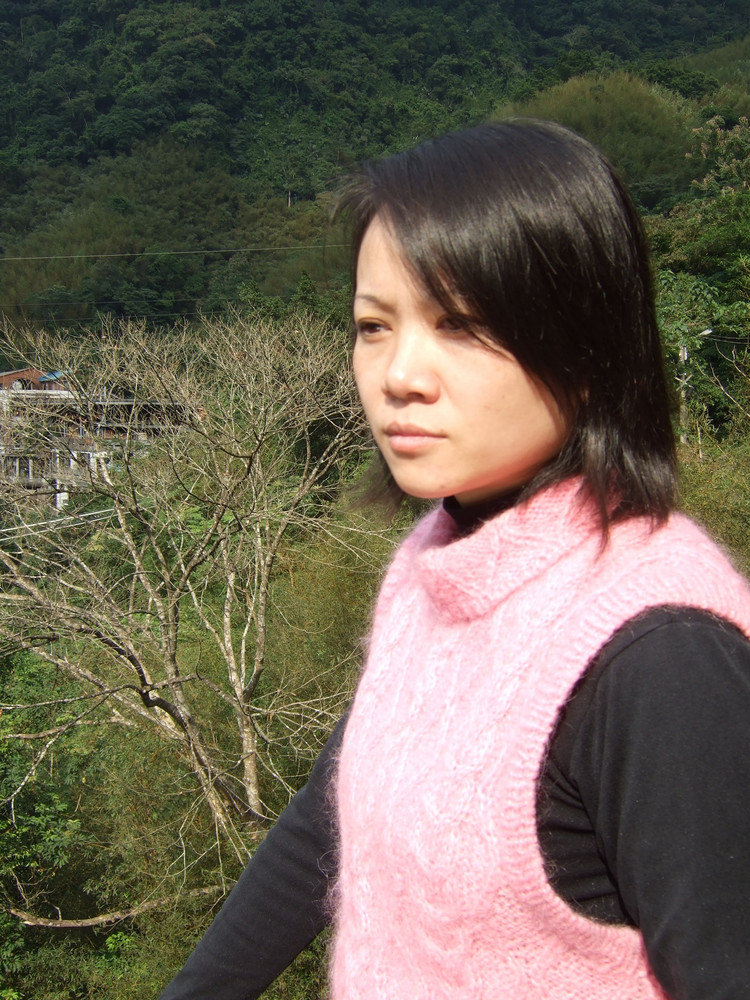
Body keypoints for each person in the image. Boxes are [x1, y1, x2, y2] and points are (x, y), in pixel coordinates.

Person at [159, 120, 750, 1000]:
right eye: (373, 325)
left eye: (462, 326)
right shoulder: (435, 563)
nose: (399, 375)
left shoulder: (661, 656)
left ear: (589, 347)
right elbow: (336, 808)